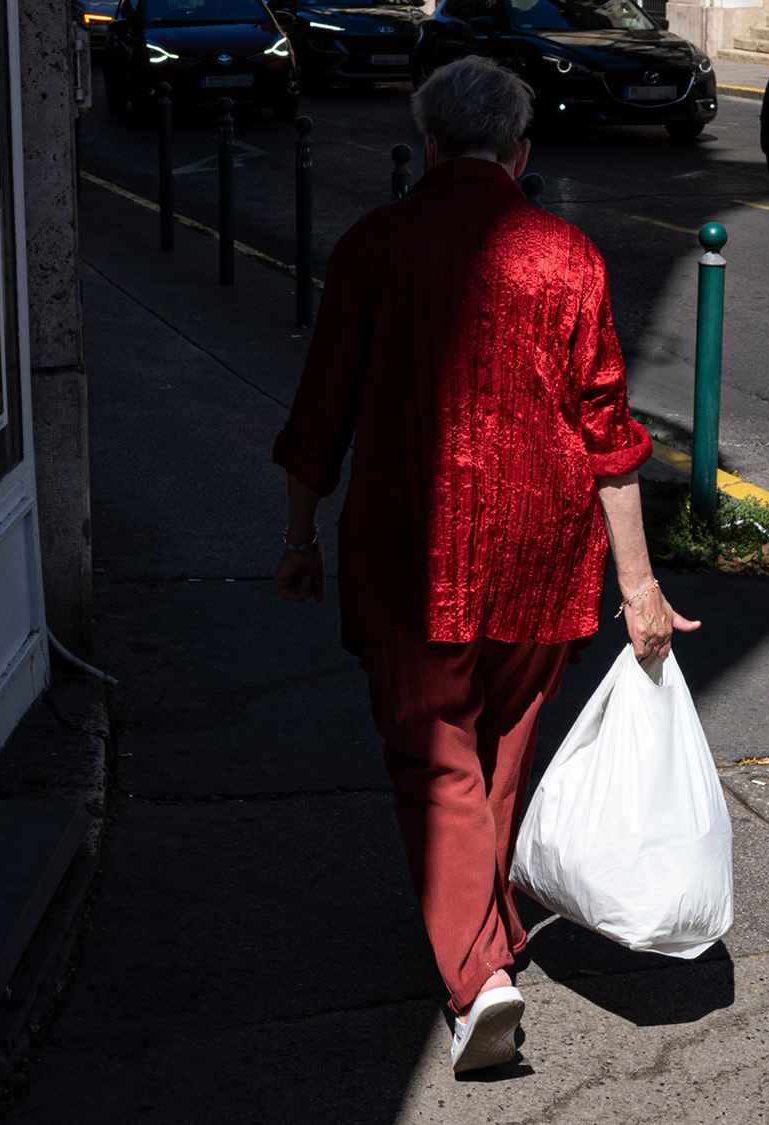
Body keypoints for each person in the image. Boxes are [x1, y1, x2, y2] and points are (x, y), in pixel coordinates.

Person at [271, 56, 697, 1074]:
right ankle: (488, 924)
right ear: (520, 150)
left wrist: (297, 537)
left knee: (434, 764)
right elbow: (608, 434)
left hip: (410, 551)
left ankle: (478, 984)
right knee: (498, 755)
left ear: (425, 143)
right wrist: (638, 589)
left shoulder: (374, 247)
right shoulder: (570, 257)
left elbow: (319, 414)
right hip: (544, 551)